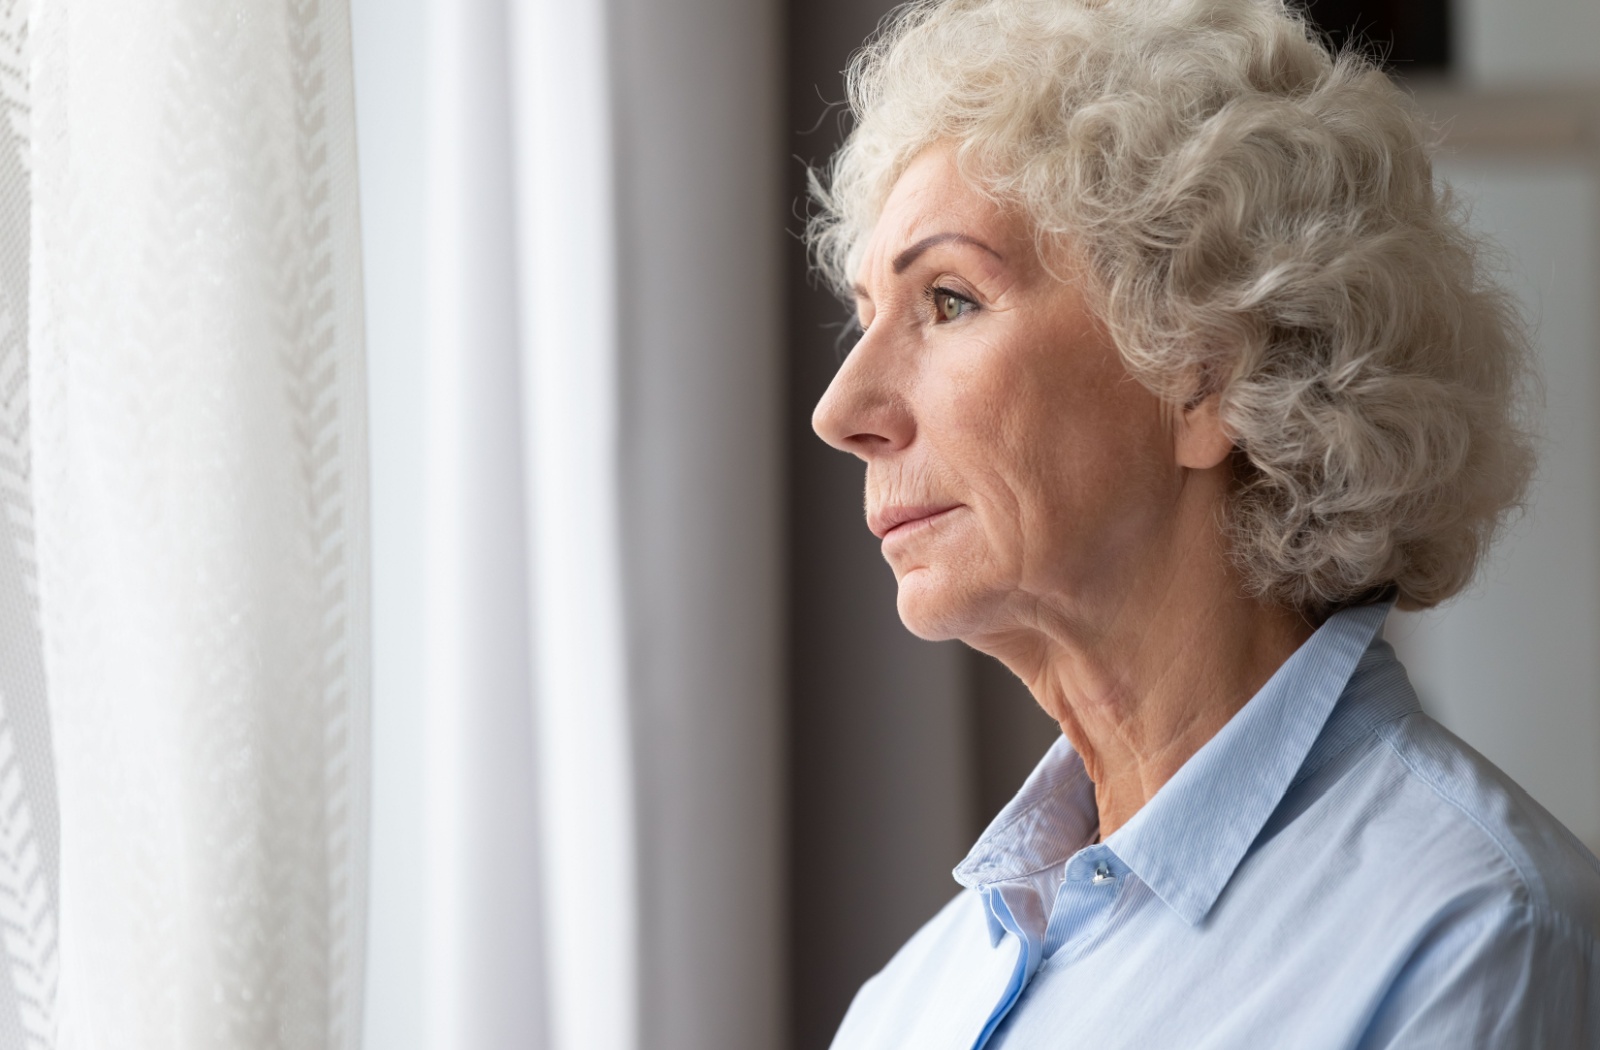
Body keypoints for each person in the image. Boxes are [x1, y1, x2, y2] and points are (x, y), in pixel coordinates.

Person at [806, 0, 1600, 1046]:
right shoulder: (904, 1007)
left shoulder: (1477, 936)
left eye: (948, 300)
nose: (839, 413)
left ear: (1203, 371)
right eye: (865, 318)